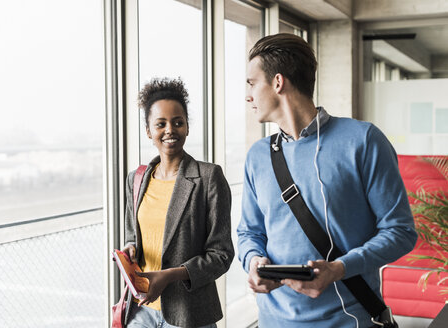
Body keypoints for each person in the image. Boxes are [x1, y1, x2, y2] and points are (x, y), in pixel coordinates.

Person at [237, 33, 417, 327]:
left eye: (252, 83)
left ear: (278, 82)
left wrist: (340, 268)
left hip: (350, 320)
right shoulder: (257, 156)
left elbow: (400, 231)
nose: (248, 95)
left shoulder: (364, 141)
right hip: (273, 321)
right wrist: (254, 261)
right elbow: (248, 233)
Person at [122, 77, 234, 328]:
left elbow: (221, 255)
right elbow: (133, 237)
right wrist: (129, 251)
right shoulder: (137, 179)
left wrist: (170, 276)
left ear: (187, 127)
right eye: (161, 124)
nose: (170, 129)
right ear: (149, 131)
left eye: (177, 122)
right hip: (141, 310)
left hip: (189, 314)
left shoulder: (209, 177)